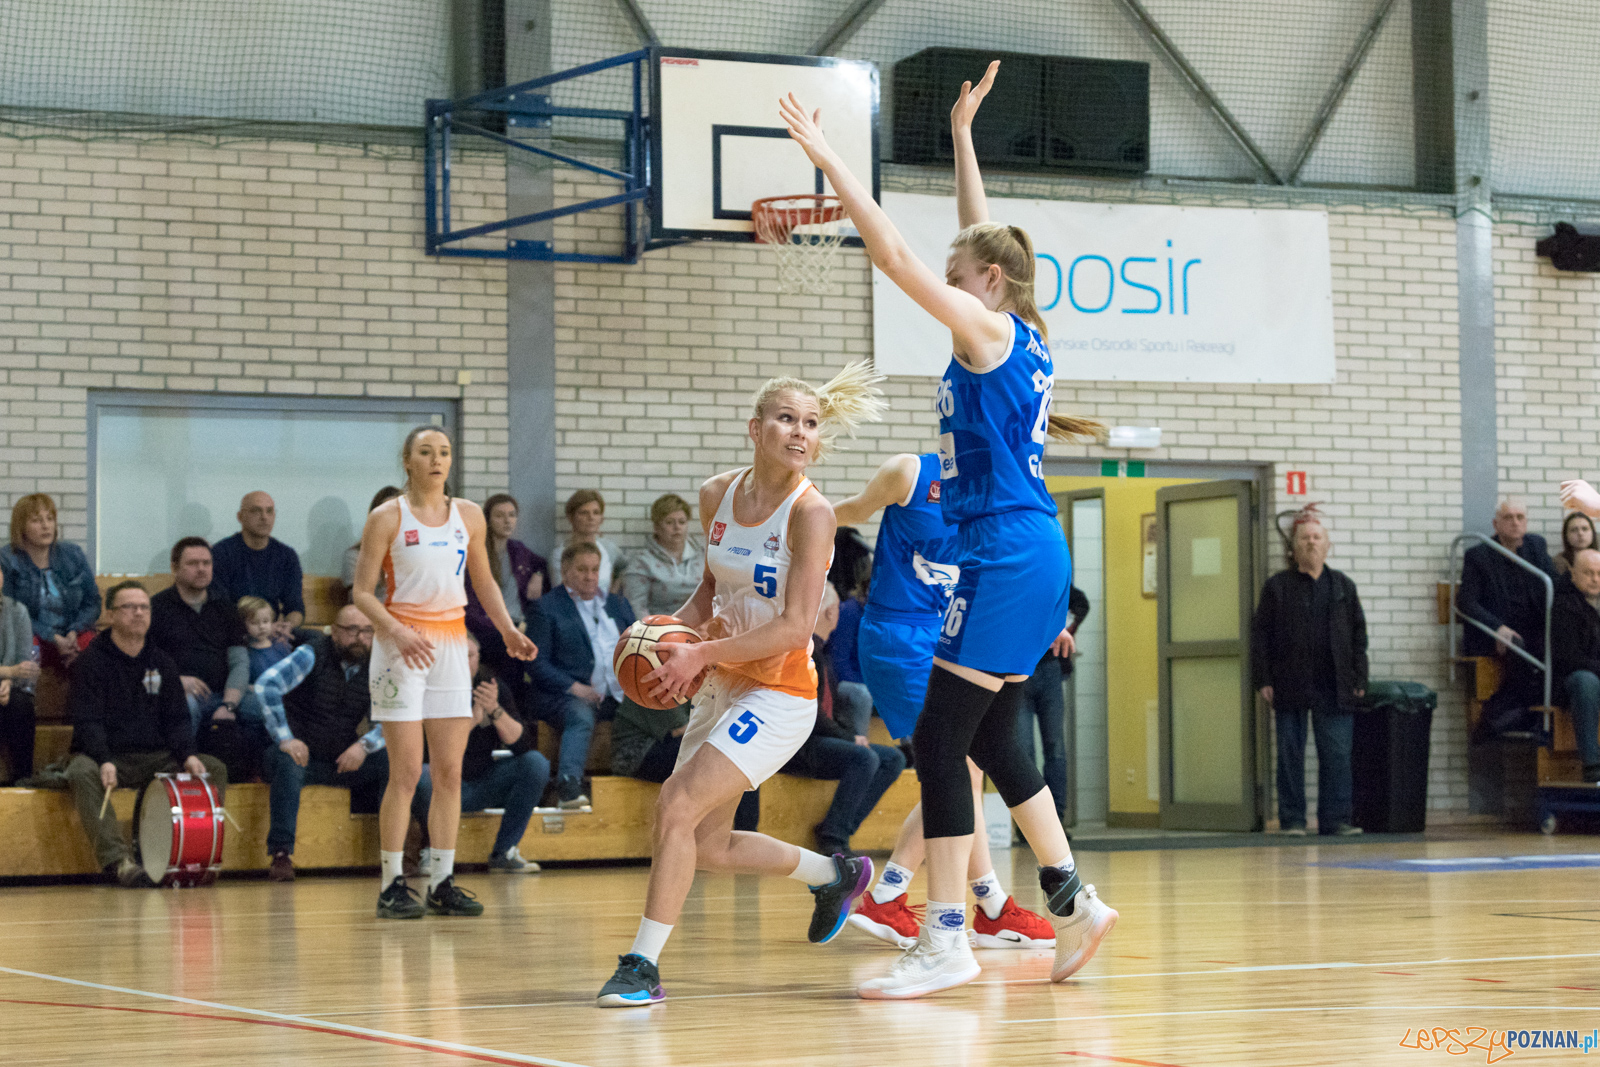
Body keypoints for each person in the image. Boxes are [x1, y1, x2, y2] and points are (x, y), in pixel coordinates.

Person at [783, 62, 1116, 1000]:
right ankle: (1070, 896)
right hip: (1016, 551)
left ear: (989, 287)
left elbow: (895, 257)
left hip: (1007, 551)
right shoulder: (1025, 329)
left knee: (937, 742)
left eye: (963, 273)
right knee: (996, 740)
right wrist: (965, 140)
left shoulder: (987, 328)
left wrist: (833, 163)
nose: (950, 276)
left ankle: (944, 935)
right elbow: (980, 237)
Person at [594, 363, 886, 1008]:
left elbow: (793, 628)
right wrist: (670, 634)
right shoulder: (716, 494)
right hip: (722, 679)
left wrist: (700, 656)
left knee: (674, 805)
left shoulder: (811, 515)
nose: (799, 432)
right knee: (710, 844)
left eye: (810, 424)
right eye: (786, 419)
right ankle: (835, 874)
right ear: (755, 429)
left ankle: (642, 965)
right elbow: (710, 590)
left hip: (779, 693)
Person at [834, 453, 1056, 954]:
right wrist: (791, 512)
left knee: (967, 767)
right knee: (959, 764)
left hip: (950, 637)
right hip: (899, 634)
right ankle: (890, 897)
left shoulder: (1001, 496)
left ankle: (991, 907)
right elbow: (849, 510)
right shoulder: (911, 472)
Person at [350, 425, 537, 919]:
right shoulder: (386, 516)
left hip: (452, 645)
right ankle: (392, 883)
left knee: (450, 771)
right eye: (425, 452)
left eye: (444, 452)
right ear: (407, 461)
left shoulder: (469, 516)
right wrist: (396, 630)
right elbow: (362, 593)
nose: (436, 460)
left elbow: (485, 583)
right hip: (400, 647)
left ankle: (442, 881)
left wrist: (507, 631)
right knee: (408, 771)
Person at [64, 580, 227, 887]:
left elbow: (177, 718)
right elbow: (87, 720)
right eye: (129, 607)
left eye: (144, 607)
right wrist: (103, 758)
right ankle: (117, 861)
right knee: (81, 770)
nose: (138, 613)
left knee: (213, 768)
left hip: (158, 757)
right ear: (111, 615)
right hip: (113, 758)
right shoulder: (92, 662)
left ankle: (192, 857)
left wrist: (188, 755)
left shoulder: (162, 661)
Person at [1250, 512, 1369, 836]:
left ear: (1327, 546)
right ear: (1294, 548)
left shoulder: (1344, 586)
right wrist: (1263, 679)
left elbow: (1359, 637)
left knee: (1337, 755)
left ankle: (1335, 820)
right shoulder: (1277, 587)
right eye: (1305, 538)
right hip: (1290, 681)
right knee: (1290, 756)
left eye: (1317, 538)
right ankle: (1292, 821)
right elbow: (1260, 636)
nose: (1311, 542)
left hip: (1336, 682)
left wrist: (1360, 679)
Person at [255, 604, 390, 882]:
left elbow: (391, 717)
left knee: (392, 760)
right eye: (352, 630)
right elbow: (266, 685)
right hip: (298, 754)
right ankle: (281, 854)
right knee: (289, 763)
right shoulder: (312, 653)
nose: (360, 638)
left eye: (367, 631)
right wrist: (286, 738)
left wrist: (363, 746)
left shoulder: (378, 664)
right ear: (335, 632)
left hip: (340, 758)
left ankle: (394, 853)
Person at [782, 582, 907, 856]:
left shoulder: (820, 650)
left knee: (893, 758)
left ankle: (839, 827)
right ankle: (833, 837)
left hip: (819, 740)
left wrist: (850, 736)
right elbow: (810, 716)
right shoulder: (805, 652)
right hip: (799, 746)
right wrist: (851, 738)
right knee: (864, 757)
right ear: (830, 612)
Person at [410, 632, 550, 873]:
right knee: (421, 775)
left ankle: (505, 851)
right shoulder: (430, 689)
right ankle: (432, 850)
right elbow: (426, 748)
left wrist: (495, 710)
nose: (465, 662)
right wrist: (474, 720)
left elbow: (522, 744)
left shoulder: (490, 685)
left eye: (470, 656)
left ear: (478, 657)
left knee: (535, 763)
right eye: (457, 656)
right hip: (441, 785)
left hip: (482, 782)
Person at [528, 543, 638, 808]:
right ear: (565, 571)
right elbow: (535, 663)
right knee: (580, 712)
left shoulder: (618, 604)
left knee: (659, 708)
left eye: (595, 569)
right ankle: (568, 787)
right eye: (582, 569)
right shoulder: (546, 607)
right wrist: (574, 687)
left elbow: (638, 647)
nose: (590, 576)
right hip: (565, 695)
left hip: (617, 693)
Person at [1458, 499, 1557, 739]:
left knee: (1557, 645)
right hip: (1492, 632)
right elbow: (1466, 602)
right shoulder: (1479, 555)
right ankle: (1525, 717)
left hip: (1531, 628)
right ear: (1496, 524)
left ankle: (1532, 716)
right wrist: (1497, 628)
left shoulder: (1535, 547)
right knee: (1521, 646)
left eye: (1520, 517)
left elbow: (1555, 586)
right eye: (1508, 517)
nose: (1515, 522)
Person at [147, 538, 250, 736]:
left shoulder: (226, 608)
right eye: (193, 563)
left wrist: (229, 705)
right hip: (177, 694)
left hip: (223, 694)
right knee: (185, 706)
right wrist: (174, 681)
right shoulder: (156, 609)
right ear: (174, 568)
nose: (201, 569)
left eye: (206, 563)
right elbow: (142, 663)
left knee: (264, 705)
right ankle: (185, 763)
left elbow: (240, 663)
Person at [1, 493, 101, 673]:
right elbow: (10, 612)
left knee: (95, 650)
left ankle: (88, 699)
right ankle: (25, 698)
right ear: (21, 527)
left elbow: (92, 602)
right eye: (36, 520)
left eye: (50, 519)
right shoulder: (8, 560)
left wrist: (73, 632)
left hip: (72, 634)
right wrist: (52, 638)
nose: (46, 526)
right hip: (34, 635)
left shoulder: (73, 554)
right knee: (27, 647)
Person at [465, 492, 548, 707]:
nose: (507, 520)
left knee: (532, 649)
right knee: (512, 653)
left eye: (512, 515)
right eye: (500, 516)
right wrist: (503, 629)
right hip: (483, 627)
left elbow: (542, 564)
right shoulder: (476, 551)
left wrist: (538, 577)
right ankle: (508, 713)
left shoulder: (518, 550)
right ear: (488, 519)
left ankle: (516, 713)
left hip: (515, 625)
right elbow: (472, 605)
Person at [1017, 585, 1090, 823]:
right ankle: (1029, 821)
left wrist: (1067, 628)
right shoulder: (1017, 579)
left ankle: (1056, 818)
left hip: (1049, 668)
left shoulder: (1055, 576)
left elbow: (1081, 603)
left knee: (1055, 747)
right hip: (1019, 669)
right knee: (1024, 751)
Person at [211, 491, 305, 638]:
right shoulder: (221, 553)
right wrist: (257, 629)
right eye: (256, 511)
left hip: (273, 630)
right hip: (235, 632)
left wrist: (286, 627)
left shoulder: (287, 556)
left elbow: (295, 607)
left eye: (269, 511)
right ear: (240, 517)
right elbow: (219, 607)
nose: (264, 517)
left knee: (316, 639)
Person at [1547, 547, 1600, 783]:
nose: (1595, 579)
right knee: (1585, 680)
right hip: (1570, 682)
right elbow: (1569, 658)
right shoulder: (1563, 606)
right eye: (1588, 573)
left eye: (1599, 573)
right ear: (1573, 575)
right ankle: (1592, 764)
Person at [622, 493, 704, 621]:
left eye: (682, 522)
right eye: (669, 522)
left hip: (702, 629)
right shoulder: (641, 562)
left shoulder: (704, 557)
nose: (677, 527)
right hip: (660, 631)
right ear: (656, 527)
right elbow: (636, 606)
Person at [0, 564, 39, 784]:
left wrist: (7, 679)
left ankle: (23, 779)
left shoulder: (17, 610)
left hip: (10, 686)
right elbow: (16, 668)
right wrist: (10, 671)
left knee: (20, 704)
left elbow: (25, 664)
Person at [830, 558, 873, 736]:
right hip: (848, 682)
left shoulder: (884, 617)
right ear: (866, 587)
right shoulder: (849, 611)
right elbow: (838, 661)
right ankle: (860, 745)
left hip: (871, 681)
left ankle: (911, 750)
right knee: (861, 694)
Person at [551, 490, 625, 593]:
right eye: (584, 513)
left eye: (596, 513)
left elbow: (625, 569)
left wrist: (614, 592)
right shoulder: (560, 554)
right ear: (571, 517)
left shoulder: (609, 549)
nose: (591, 517)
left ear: (601, 518)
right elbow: (561, 593)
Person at [342, 487, 403, 602]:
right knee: (350, 614)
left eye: (397, 514)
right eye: (385, 514)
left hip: (412, 615)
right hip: (373, 616)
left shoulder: (415, 553)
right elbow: (357, 600)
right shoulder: (355, 556)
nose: (391, 520)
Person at [1553, 512, 1597, 577]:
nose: (1580, 533)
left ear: (1593, 534)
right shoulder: (1558, 563)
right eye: (1574, 530)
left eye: (1585, 529)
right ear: (1566, 536)